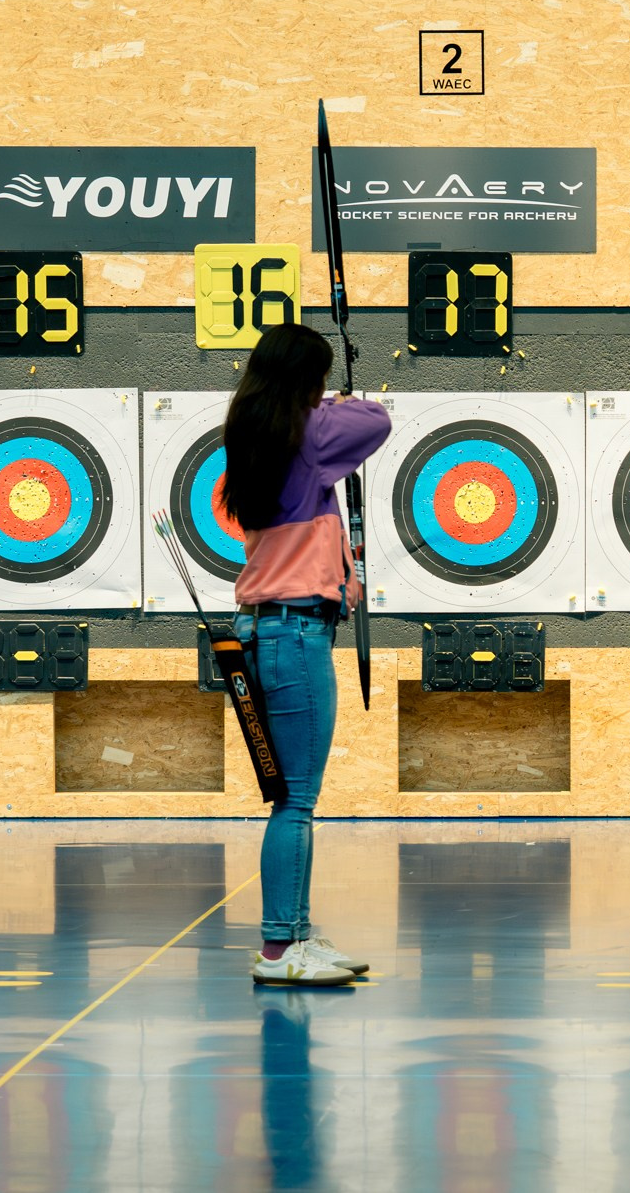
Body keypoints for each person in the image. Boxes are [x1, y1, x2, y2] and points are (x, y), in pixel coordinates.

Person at [221, 322, 391, 987]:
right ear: (303, 384)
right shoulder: (313, 436)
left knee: (293, 797)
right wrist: (337, 400)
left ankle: (292, 935)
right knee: (296, 800)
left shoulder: (260, 436)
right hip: (294, 635)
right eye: (318, 380)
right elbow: (374, 420)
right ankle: (277, 949)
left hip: (272, 630)